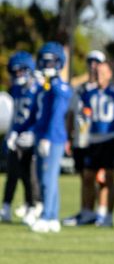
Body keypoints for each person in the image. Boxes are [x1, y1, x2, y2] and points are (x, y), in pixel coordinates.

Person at [71, 60, 114, 228]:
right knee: (88, 176)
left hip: (111, 138)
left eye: (103, 73)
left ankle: (107, 215)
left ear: (110, 74)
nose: (99, 76)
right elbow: (81, 111)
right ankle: (89, 213)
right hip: (93, 139)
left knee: (109, 179)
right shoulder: (88, 92)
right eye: (97, 73)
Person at [30, 42, 71, 234]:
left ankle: (47, 215)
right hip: (41, 135)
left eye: (51, 61)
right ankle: (53, 216)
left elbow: (57, 114)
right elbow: (36, 113)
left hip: (53, 138)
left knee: (48, 178)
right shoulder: (44, 86)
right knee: (45, 177)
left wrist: (47, 137)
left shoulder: (59, 86)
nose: (46, 65)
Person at [62, 50, 104, 226]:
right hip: (81, 138)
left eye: (97, 62)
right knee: (84, 177)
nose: (93, 66)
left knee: (98, 177)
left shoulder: (104, 89)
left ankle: (101, 213)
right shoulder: (79, 90)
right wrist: (68, 137)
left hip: (99, 139)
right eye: (90, 62)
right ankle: (86, 211)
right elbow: (71, 114)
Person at [2, 51, 41, 224]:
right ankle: (6, 207)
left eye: (21, 71)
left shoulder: (38, 89)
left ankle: (32, 206)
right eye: (15, 71)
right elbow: (13, 115)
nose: (17, 75)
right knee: (12, 173)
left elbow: (39, 115)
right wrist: (12, 133)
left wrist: (32, 132)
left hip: (32, 138)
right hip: (16, 137)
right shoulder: (16, 89)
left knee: (29, 175)